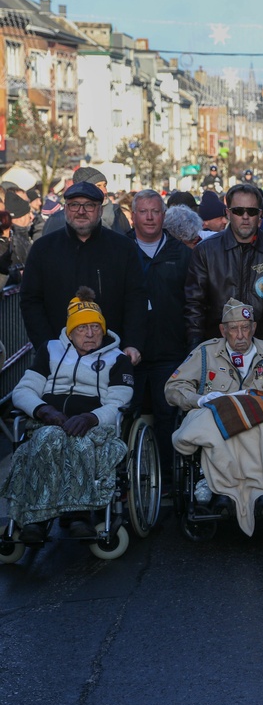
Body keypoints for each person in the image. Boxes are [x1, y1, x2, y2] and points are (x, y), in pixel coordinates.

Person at [166, 298, 263, 537]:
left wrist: (251, 400)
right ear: (223, 330)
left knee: (262, 429)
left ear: (254, 328)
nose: (240, 335)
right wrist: (200, 399)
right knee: (222, 430)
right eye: (233, 329)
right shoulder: (205, 353)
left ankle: (258, 493)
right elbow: (172, 388)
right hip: (217, 419)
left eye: (245, 327)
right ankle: (235, 492)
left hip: (259, 421)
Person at [2, 288, 134, 543]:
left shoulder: (117, 358)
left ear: (103, 329)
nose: (90, 334)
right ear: (70, 332)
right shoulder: (50, 350)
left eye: (96, 328)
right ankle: (36, 520)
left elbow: (120, 400)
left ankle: (78, 516)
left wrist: (90, 418)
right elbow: (23, 390)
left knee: (79, 442)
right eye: (82, 328)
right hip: (48, 420)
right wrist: (43, 410)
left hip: (94, 423)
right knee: (47, 438)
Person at [20, 182, 146, 366]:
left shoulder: (123, 248)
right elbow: (30, 300)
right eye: (74, 204)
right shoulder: (43, 249)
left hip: (112, 355)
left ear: (100, 210)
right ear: (65, 209)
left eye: (89, 205)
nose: (81, 211)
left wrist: (133, 344)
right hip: (58, 357)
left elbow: (136, 298)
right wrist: (47, 346)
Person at [185, 182, 263, 361]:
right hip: (216, 349)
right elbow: (194, 304)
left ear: (260, 214)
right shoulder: (205, 251)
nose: (245, 217)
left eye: (251, 211)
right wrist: (195, 345)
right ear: (228, 213)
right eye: (238, 211)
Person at [127, 190, 192, 480]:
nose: (150, 217)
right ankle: (128, 479)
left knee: (168, 417)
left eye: (155, 211)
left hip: (170, 350)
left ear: (164, 215)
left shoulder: (182, 253)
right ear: (133, 216)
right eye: (143, 211)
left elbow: (193, 301)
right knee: (128, 414)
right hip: (128, 352)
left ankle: (166, 479)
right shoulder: (120, 249)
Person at [41, 167, 131, 238]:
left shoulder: (117, 213)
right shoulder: (59, 219)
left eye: (105, 185)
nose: (104, 191)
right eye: (98, 186)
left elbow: (129, 243)